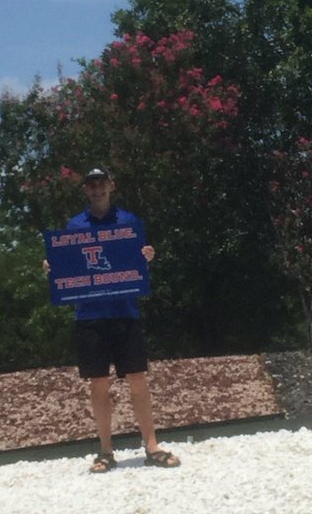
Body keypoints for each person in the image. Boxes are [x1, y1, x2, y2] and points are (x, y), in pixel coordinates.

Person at [44, 165, 181, 473]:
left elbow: (137, 262)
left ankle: (152, 446)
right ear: (85, 189)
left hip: (125, 312)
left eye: (101, 183)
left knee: (137, 378)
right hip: (89, 315)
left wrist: (147, 256)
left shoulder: (129, 221)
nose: (97, 189)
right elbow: (67, 264)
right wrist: (53, 268)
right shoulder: (74, 225)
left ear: (111, 186)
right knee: (98, 383)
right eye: (92, 184)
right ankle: (106, 451)